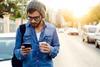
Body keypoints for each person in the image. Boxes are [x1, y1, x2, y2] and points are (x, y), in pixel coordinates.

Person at [14, 1, 60, 67]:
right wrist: (21, 52)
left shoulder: (51, 28)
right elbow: (16, 51)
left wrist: (51, 50)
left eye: (36, 18)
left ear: (42, 16)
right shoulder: (21, 29)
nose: (32, 21)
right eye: (30, 17)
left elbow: (57, 47)